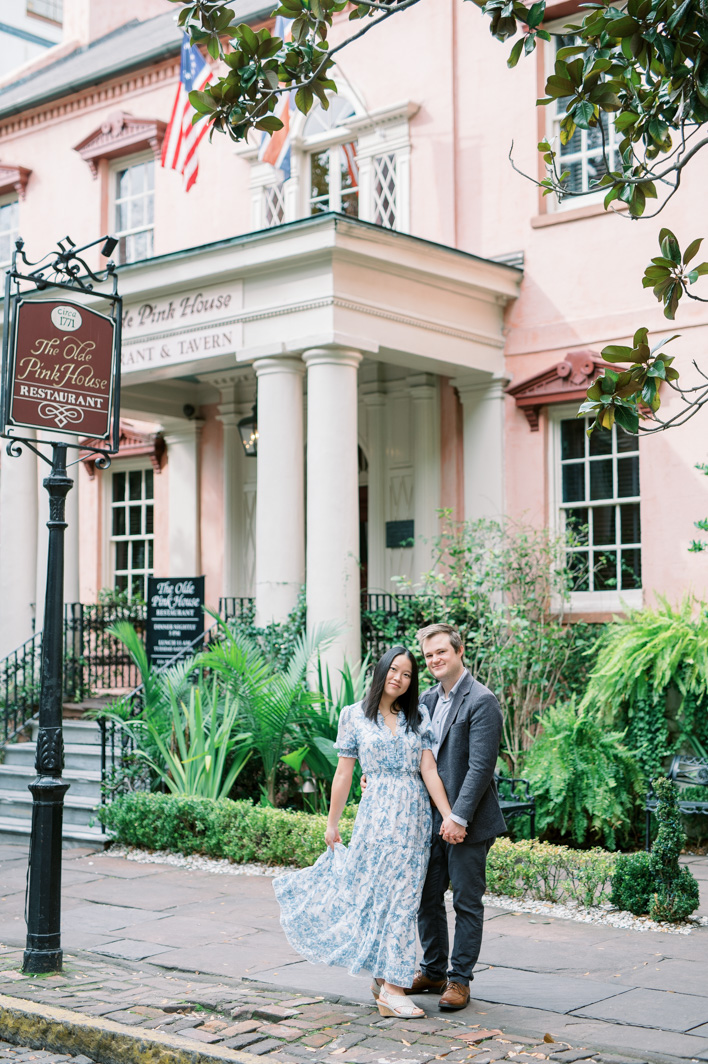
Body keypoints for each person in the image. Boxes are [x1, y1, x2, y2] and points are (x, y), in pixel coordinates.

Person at [272, 645, 454, 1020]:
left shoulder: (418, 715)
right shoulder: (353, 715)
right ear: (382, 670)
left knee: (405, 901)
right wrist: (332, 822)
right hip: (374, 819)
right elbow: (344, 773)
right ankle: (384, 978)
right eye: (395, 671)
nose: (399, 679)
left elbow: (430, 771)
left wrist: (450, 816)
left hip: (413, 817)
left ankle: (393, 988)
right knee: (375, 898)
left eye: (407, 675)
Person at [405, 622, 506, 1011]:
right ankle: (433, 970)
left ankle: (459, 980)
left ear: (459, 651)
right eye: (428, 655)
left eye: (441, 652)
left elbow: (481, 768)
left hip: (470, 823)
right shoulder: (427, 700)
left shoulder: (482, 700)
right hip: (429, 819)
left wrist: (458, 818)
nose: (434, 660)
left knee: (466, 901)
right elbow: (415, 753)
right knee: (426, 898)